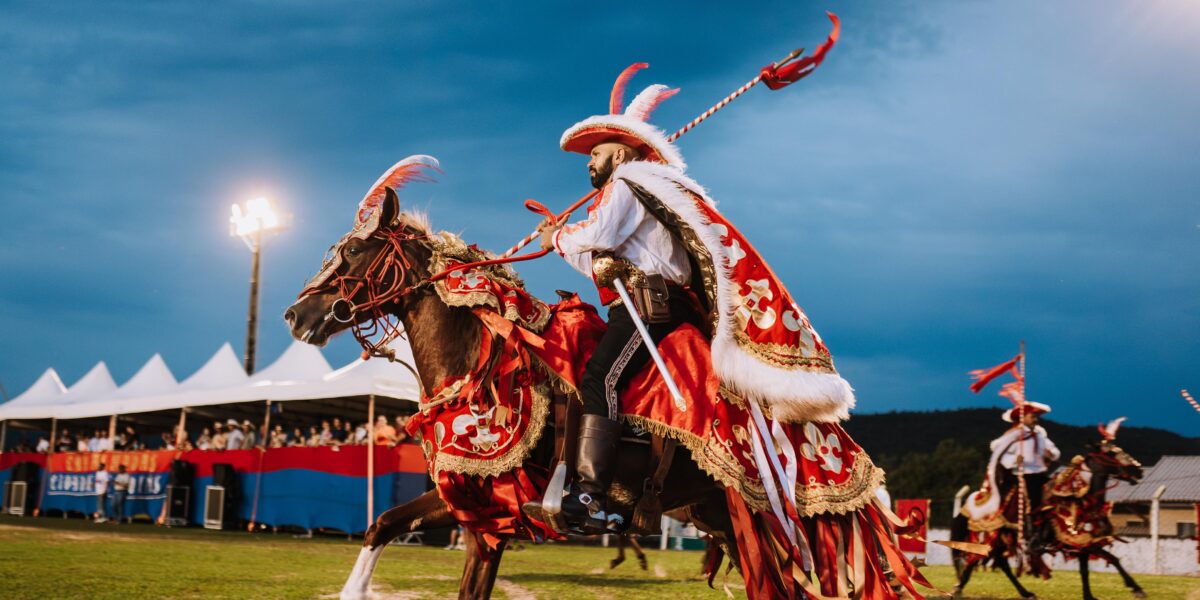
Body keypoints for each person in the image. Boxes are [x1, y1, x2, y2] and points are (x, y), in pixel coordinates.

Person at [527, 65, 855, 533]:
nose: (588, 163)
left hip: (650, 309)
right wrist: (559, 242)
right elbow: (597, 259)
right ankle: (616, 481)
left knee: (601, 375)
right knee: (597, 377)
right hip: (633, 303)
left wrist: (559, 235)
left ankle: (590, 496)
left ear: (620, 154)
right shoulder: (631, 194)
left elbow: (595, 233)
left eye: (595, 153)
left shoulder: (628, 184)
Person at [990, 401, 1060, 511]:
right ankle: (1031, 522)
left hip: (1040, 474)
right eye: (1032, 416)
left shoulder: (1040, 435)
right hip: (1023, 474)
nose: (1036, 419)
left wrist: (1051, 454)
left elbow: (1054, 450)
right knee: (1033, 501)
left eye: (1036, 417)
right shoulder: (1015, 435)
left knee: (1058, 490)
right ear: (1023, 417)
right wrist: (1015, 460)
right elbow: (999, 451)